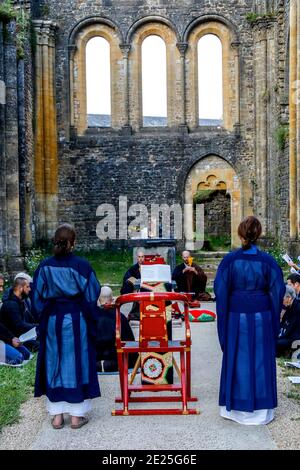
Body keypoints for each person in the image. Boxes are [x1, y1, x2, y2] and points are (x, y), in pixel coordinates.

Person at [214, 216, 285, 425]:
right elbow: (278, 291)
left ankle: (236, 408)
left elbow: (220, 289)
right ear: (259, 234)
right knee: (261, 358)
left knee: (237, 357)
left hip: (237, 317)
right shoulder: (268, 261)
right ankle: (261, 410)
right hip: (262, 315)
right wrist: (273, 316)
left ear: (240, 233)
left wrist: (225, 315)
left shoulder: (230, 260)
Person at [33, 224, 101, 430]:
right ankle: (76, 417)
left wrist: (46, 313)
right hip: (76, 319)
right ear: (73, 243)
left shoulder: (45, 266)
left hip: (54, 319)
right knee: (77, 361)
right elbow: (92, 293)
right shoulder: (81, 265)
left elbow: (36, 298)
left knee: (54, 361)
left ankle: (56, 416)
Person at [95, 286, 137, 372]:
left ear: (98, 300)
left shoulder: (91, 317)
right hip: (116, 361)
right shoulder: (120, 317)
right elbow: (130, 341)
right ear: (112, 299)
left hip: (95, 361)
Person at [0, 276, 39, 351]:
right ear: (20, 288)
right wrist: (37, 327)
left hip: (19, 337)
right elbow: (19, 325)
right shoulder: (11, 304)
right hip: (13, 339)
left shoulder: (21, 302)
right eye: (27, 287)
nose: (30, 289)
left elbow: (30, 320)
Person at [277, 285, 300, 357]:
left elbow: (291, 330)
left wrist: (280, 336)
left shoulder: (297, 308)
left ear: (289, 298)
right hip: (288, 336)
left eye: (282, 298)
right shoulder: (289, 307)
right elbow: (283, 324)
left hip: (295, 338)